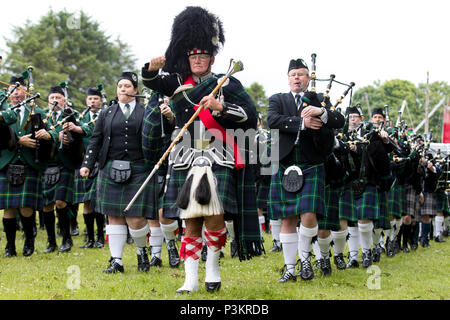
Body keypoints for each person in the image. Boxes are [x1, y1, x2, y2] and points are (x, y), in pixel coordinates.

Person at [141, 6, 260, 293]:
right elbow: (152, 82)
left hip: (219, 154)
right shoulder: (177, 82)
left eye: (202, 56)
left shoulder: (226, 82)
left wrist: (221, 107)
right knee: (190, 217)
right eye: (193, 56)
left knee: (214, 214)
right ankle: (190, 279)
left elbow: (249, 114)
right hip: (185, 156)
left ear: (212, 57)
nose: (197, 60)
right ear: (188, 57)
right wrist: (150, 68)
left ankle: (214, 270)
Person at [267, 58, 345, 282]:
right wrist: (301, 123)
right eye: (293, 75)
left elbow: (339, 121)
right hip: (285, 161)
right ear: (288, 78)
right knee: (288, 217)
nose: (296, 78)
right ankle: (291, 269)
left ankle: (305, 259)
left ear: (308, 78)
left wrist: (320, 113)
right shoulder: (278, 99)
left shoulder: (320, 100)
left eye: (301, 74)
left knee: (309, 215)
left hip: (311, 162)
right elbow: (272, 120)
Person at [80, 72, 161, 273]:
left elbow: (157, 136)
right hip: (111, 167)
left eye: (127, 86)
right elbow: (96, 140)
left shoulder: (146, 111)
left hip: (139, 167)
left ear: (135, 90)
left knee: (136, 218)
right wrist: (87, 163)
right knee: (113, 215)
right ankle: (116, 260)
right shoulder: (106, 113)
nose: (122, 89)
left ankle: (142, 250)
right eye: (120, 86)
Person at [0, 75, 50, 257]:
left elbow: (50, 129)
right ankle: (10, 247)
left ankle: (29, 241)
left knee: (26, 207)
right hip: (7, 162)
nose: (16, 93)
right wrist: (18, 141)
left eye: (20, 90)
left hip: (29, 163)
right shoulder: (2, 112)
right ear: (8, 92)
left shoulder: (38, 112)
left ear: (26, 92)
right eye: (12, 89)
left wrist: (49, 135)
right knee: (9, 207)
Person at [356, 108, 394, 268]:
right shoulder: (364, 132)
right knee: (363, 218)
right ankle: (366, 252)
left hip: (378, 180)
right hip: (360, 180)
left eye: (380, 117)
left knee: (377, 222)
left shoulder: (385, 135)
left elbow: (393, 150)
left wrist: (385, 140)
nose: (377, 119)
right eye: (375, 117)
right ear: (370, 119)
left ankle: (377, 245)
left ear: (383, 120)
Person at [73, 87, 105, 248]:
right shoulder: (81, 117)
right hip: (84, 164)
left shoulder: (105, 115)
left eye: (96, 99)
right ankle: (90, 238)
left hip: (101, 163)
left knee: (97, 201)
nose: (92, 102)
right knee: (86, 201)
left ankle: (100, 237)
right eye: (90, 99)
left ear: (101, 101)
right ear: (86, 101)